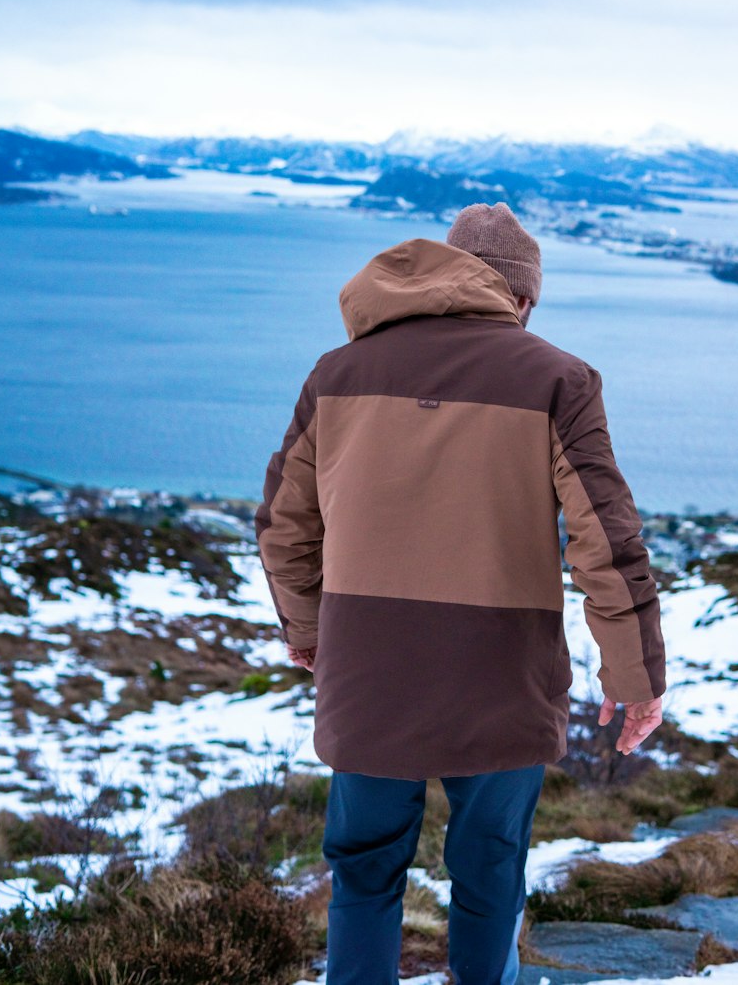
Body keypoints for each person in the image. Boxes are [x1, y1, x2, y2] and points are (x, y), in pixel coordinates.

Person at [255, 202, 667, 985]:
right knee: (490, 869)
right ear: (520, 296)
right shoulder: (558, 378)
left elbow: (282, 525)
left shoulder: (335, 375)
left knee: (365, 870)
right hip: (501, 670)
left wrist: (309, 633)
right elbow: (606, 542)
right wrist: (634, 677)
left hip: (369, 668)